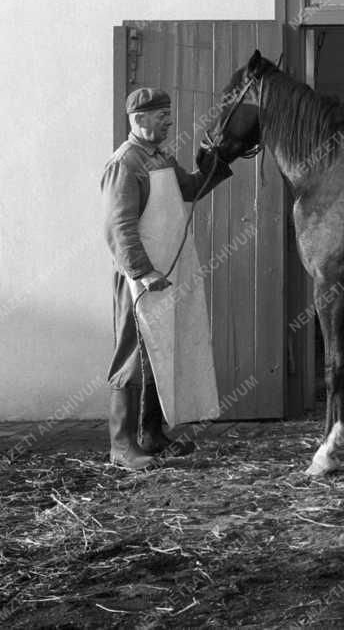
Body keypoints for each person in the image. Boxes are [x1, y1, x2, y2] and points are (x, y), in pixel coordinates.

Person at [101, 87, 232, 470]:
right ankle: (122, 445)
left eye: (168, 113)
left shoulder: (159, 158)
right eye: (162, 115)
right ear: (139, 120)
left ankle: (152, 435)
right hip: (139, 278)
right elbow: (118, 227)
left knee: (162, 350)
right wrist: (142, 271)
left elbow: (189, 189)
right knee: (132, 355)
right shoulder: (125, 164)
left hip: (167, 273)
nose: (169, 120)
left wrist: (219, 160)